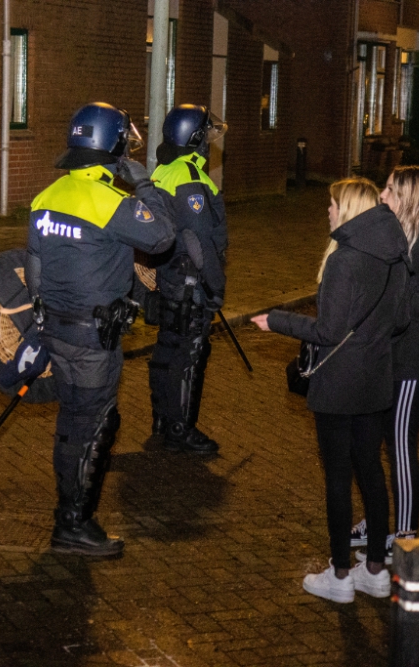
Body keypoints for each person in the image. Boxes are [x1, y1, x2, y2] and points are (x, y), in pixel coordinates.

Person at [25, 102, 176, 557]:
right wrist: (145, 182)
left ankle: (67, 516)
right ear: (114, 146)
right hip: (94, 339)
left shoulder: (45, 198)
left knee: (72, 422)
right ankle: (73, 525)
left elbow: (34, 269)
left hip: (56, 330)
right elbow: (163, 237)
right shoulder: (112, 203)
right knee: (94, 425)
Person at [251, 178, 409, 603]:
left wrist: (277, 321)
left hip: (339, 384)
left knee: (339, 478)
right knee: (372, 473)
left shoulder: (345, 261)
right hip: (375, 381)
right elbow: (403, 317)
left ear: (350, 209)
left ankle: (340, 574)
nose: (328, 210)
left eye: (333, 203)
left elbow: (327, 330)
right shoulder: (396, 255)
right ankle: (375, 568)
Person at [349, 165, 419, 561]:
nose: (382, 195)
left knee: (400, 448)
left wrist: (394, 295)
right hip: (393, 360)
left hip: (415, 363)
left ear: (408, 196)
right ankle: (377, 524)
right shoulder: (401, 235)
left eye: (390, 190)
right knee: (375, 441)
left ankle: (406, 536)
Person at [148, 104, 228, 454]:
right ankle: (181, 430)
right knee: (190, 353)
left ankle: (163, 421)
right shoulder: (192, 181)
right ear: (195, 140)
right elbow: (199, 242)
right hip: (191, 283)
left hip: (168, 277)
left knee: (167, 348)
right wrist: (215, 287)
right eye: (205, 136)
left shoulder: (163, 173)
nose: (209, 143)